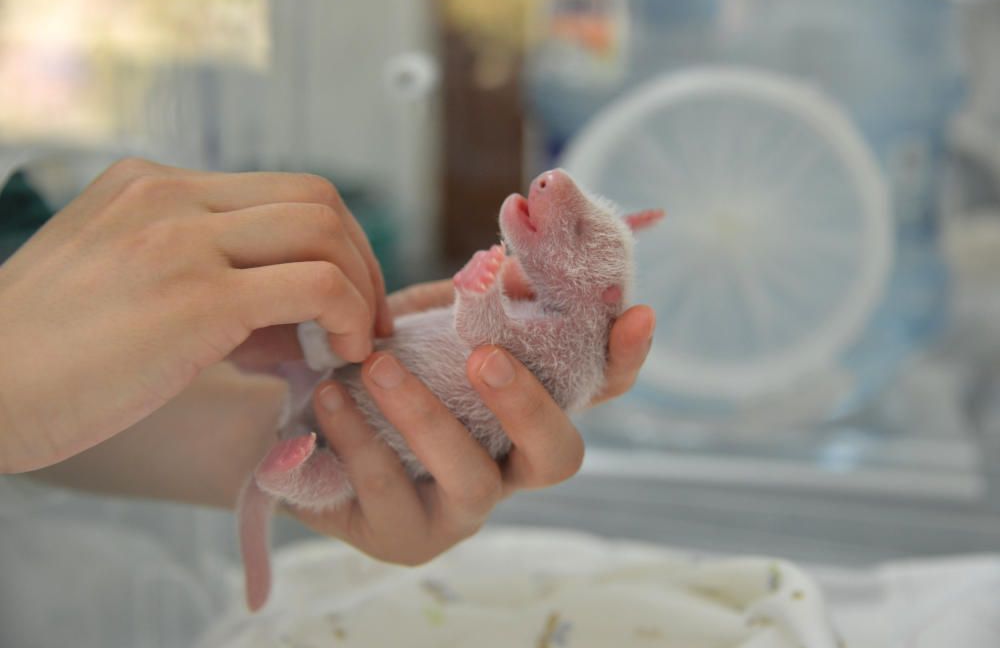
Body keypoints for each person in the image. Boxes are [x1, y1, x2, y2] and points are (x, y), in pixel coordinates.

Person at [0, 157, 655, 565]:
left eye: (574, 229)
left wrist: (245, 424)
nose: (551, 190)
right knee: (333, 441)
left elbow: (485, 340)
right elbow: (482, 341)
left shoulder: (561, 339)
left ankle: (295, 469)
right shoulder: (561, 322)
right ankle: (298, 460)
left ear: (600, 293)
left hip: (330, 385)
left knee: (332, 463)